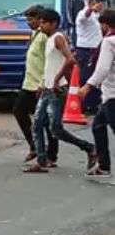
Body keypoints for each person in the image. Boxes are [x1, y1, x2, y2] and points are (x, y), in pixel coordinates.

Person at [24, 9, 96, 174]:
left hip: (57, 90)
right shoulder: (49, 39)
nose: (40, 25)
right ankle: (41, 161)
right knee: (37, 125)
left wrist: (56, 79)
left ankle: (89, 148)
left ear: (53, 24)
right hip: (47, 89)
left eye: (44, 23)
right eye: (40, 22)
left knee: (56, 129)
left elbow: (70, 59)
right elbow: (51, 63)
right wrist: (44, 83)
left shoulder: (57, 38)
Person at [13, 5, 58, 164]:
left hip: (40, 84)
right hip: (29, 83)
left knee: (46, 121)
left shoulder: (45, 38)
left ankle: (50, 154)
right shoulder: (35, 34)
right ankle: (35, 146)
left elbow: (49, 62)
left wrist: (43, 82)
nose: (28, 23)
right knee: (20, 111)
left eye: (31, 19)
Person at [80, 8, 115, 177]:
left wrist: (88, 85)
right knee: (98, 125)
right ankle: (104, 166)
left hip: (112, 94)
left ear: (105, 25)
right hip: (109, 93)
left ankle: (104, 166)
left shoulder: (109, 42)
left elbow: (102, 68)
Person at [75, 0, 105, 112]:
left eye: (101, 2)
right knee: (86, 77)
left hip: (96, 49)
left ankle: (94, 102)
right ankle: (86, 104)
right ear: (92, 3)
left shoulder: (96, 16)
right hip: (85, 50)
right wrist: (90, 8)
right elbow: (84, 17)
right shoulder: (83, 14)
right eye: (98, 2)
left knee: (97, 76)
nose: (101, 4)